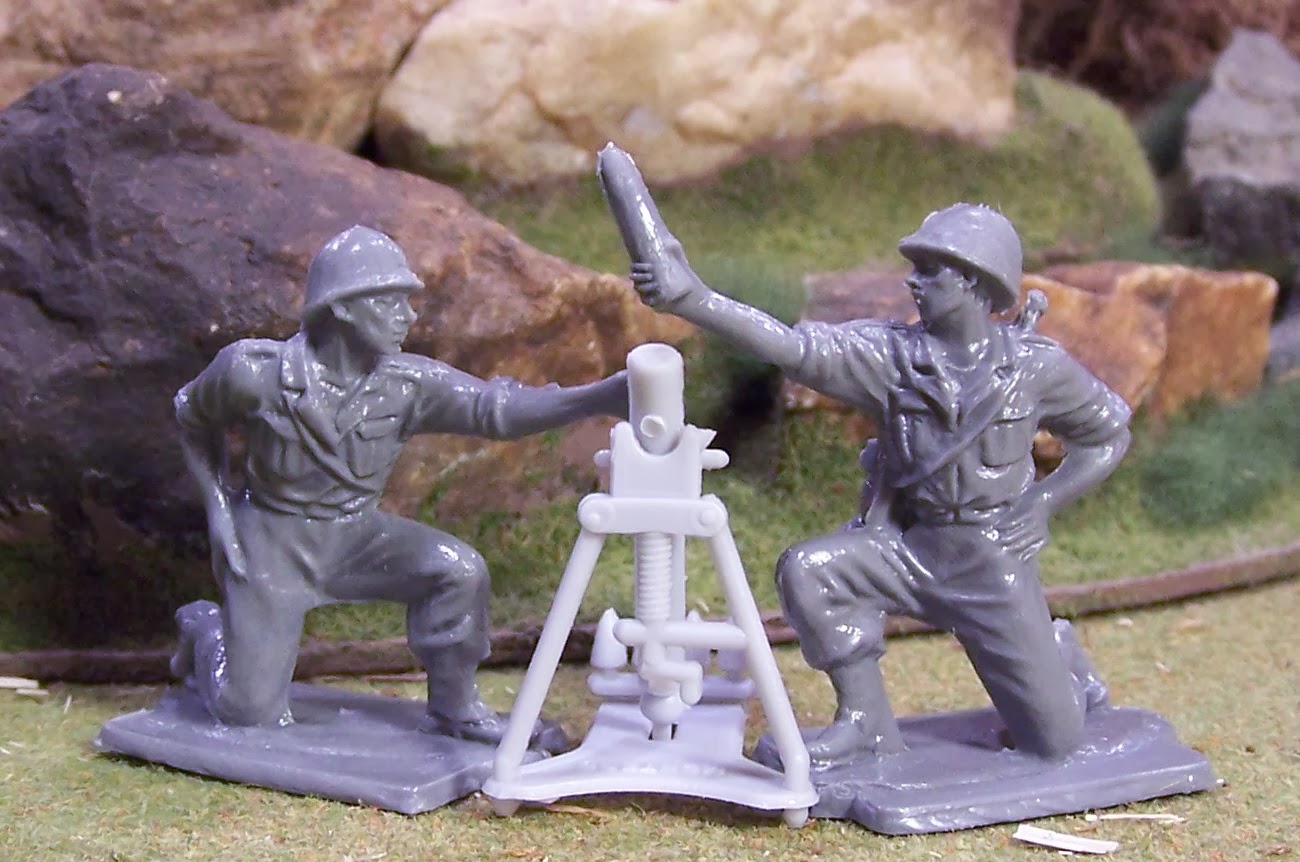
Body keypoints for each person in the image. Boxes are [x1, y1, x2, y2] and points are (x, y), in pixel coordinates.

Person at [625, 202, 1130, 767]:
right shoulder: (891, 357)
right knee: (811, 571)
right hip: (909, 547)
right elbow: (795, 350)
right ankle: (865, 722)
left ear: (974, 281)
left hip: (990, 560)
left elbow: (1107, 435)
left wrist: (1042, 503)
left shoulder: (1035, 368)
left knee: (1055, 743)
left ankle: (1059, 657)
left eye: (930, 271)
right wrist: (694, 298)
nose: (913, 282)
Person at [170, 225, 628, 742]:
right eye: (390, 303)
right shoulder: (252, 371)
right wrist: (220, 512)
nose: (408, 317)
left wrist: (599, 397)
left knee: (457, 571)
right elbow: (192, 418)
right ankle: (207, 629)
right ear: (342, 308)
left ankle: (455, 706)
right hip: (273, 542)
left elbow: (496, 410)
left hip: (355, 535)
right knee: (247, 713)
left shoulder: (408, 385)